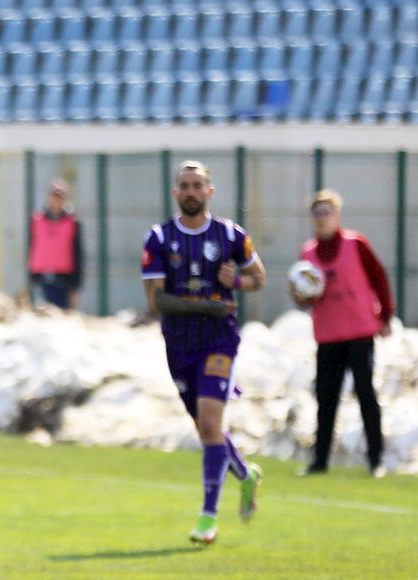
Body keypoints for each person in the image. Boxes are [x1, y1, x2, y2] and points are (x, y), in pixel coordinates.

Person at [141, 160, 267, 545]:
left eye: (198, 185)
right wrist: (209, 305)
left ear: (210, 191)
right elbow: (156, 299)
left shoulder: (230, 234)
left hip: (219, 341)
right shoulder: (159, 239)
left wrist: (239, 281)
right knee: (205, 428)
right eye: (185, 185)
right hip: (179, 344)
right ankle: (246, 476)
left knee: (211, 425)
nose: (191, 191)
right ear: (175, 192)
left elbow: (258, 277)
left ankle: (208, 517)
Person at [289, 189, 394, 477]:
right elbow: (305, 294)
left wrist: (385, 315)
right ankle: (320, 461)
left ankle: (376, 459)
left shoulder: (356, 244)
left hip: (360, 331)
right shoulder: (308, 253)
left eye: (327, 212)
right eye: (317, 213)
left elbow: (378, 278)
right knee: (326, 398)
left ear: (337, 215)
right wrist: (299, 295)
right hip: (328, 335)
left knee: (365, 394)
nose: (322, 218)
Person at [28, 178, 84, 311]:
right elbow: (32, 248)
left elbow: (78, 254)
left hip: (64, 280)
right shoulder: (37, 220)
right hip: (41, 279)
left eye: (60, 196)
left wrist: (76, 285)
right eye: (54, 195)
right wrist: (30, 277)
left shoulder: (73, 222)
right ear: (48, 197)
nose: (57, 200)